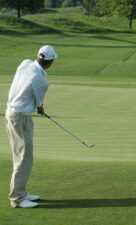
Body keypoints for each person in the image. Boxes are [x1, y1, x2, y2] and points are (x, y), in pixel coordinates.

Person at [5, 45, 57, 208]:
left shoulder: (25, 63)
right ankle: (18, 198)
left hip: (13, 114)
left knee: (23, 155)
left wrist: (38, 107)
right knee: (24, 157)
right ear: (50, 62)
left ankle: (22, 192)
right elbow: (39, 104)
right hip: (20, 117)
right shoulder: (42, 80)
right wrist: (41, 109)